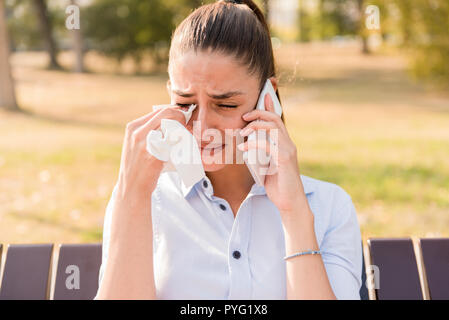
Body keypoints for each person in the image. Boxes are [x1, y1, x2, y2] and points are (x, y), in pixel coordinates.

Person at [95, 0, 362, 300]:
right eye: (185, 103)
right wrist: (131, 198)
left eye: (225, 104)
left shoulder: (329, 208)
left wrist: (294, 213)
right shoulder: (145, 201)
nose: (202, 126)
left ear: (267, 98)